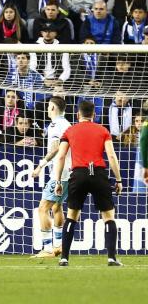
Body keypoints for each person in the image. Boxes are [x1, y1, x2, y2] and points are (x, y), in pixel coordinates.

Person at [54, 100, 123, 266]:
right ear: (94, 114)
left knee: (72, 216)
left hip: (78, 174)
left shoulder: (70, 130)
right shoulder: (102, 130)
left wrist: (58, 180)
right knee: (108, 217)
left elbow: (61, 156)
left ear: (78, 114)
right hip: (98, 174)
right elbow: (112, 156)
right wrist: (118, 179)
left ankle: (64, 258)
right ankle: (111, 258)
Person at [30, 97, 70, 257]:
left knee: (42, 209)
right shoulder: (67, 124)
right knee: (57, 207)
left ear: (53, 108)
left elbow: (55, 149)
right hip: (68, 173)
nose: (47, 109)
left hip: (59, 173)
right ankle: (59, 245)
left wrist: (40, 166)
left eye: (48, 106)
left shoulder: (55, 126)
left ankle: (47, 248)